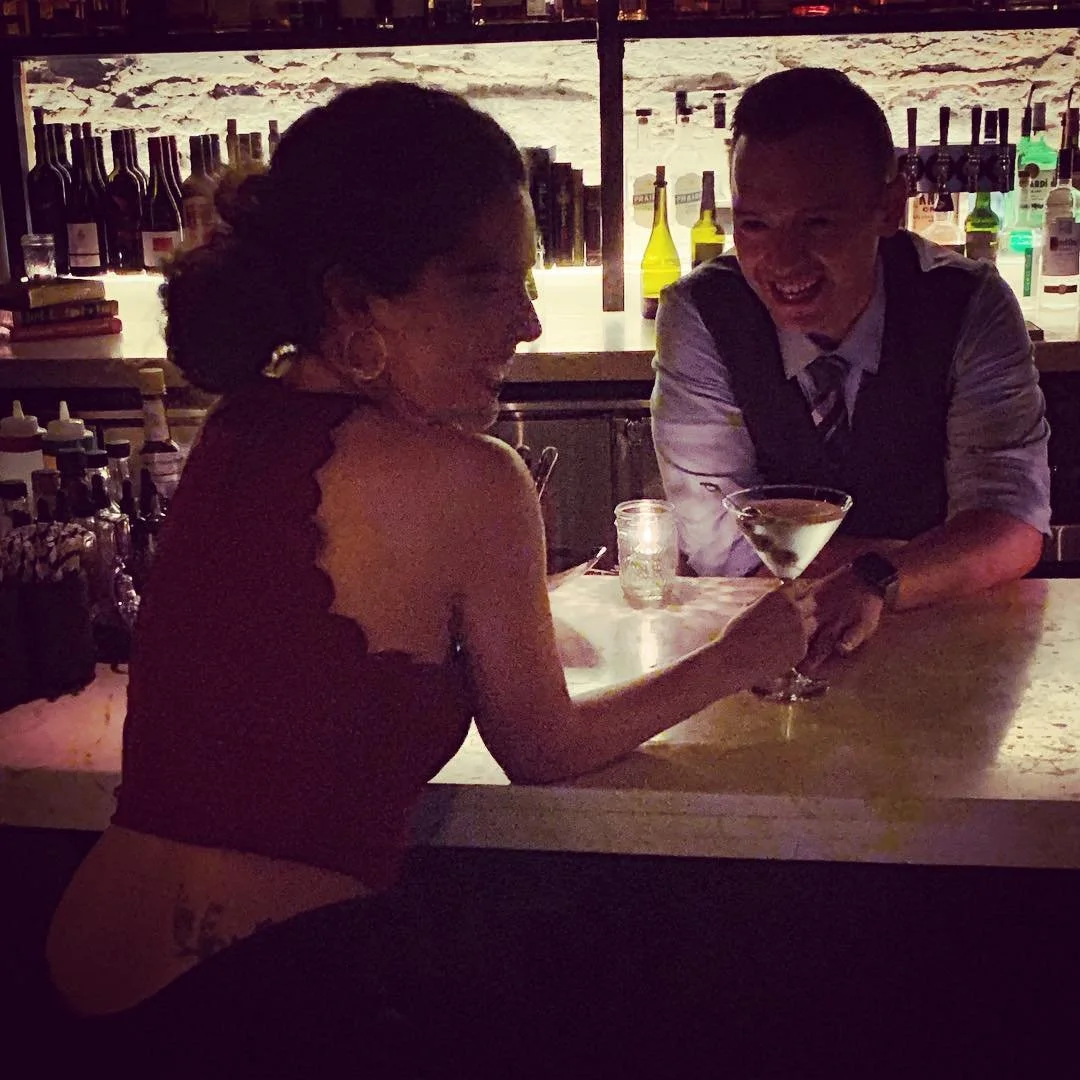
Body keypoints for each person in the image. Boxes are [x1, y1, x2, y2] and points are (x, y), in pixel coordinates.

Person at [44, 81, 812, 1077]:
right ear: (355, 302)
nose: (529, 323)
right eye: (484, 283)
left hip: (75, 984)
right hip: (258, 1012)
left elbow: (287, 680)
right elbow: (542, 747)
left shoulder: (231, 430)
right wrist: (735, 657)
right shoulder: (471, 480)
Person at [650, 67, 1050, 669]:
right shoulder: (701, 315)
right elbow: (722, 550)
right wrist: (926, 559)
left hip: (941, 652)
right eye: (756, 224)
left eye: (818, 223)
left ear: (889, 209)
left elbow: (1010, 525)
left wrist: (878, 578)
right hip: (766, 654)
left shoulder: (968, 305)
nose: (781, 260)